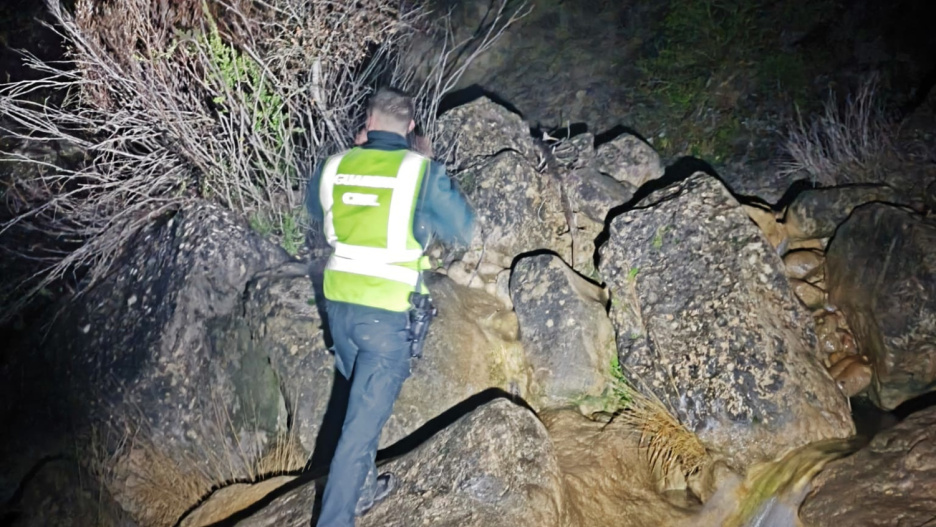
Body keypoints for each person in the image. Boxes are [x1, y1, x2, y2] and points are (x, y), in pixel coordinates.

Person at [305, 87, 475, 526]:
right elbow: (463, 227)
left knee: (360, 409)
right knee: (358, 432)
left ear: (369, 121)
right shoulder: (420, 172)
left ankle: (363, 490)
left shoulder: (335, 166)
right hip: (387, 317)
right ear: (411, 126)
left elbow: (314, 210)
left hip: (339, 312)